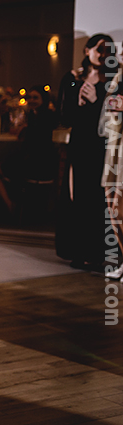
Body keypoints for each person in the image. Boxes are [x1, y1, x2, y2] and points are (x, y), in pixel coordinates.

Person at [56, 34, 117, 271]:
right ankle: (78, 250)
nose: (102, 54)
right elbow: (64, 116)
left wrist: (96, 100)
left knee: (97, 198)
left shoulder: (114, 80)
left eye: (107, 50)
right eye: (99, 49)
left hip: (101, 146)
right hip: (80, 143)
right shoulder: (73, 78)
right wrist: (79, 102)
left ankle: (96, 253)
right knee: (76, 196)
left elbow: (113, 118)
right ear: (87, 50)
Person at [0, 85, 58, 215]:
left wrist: (24, 130)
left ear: (43, 99)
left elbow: (32, 143)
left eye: (35, 98)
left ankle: (11, 206)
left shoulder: (45, 117)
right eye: (30, 97)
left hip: (35, 164)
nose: (31, 100)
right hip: (38, 162)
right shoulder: (34, 115)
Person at [101, 52, 123, 279]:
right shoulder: (118, 76)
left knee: (120, 204)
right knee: (111, 204)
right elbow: (106, 110)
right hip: (115, 144)